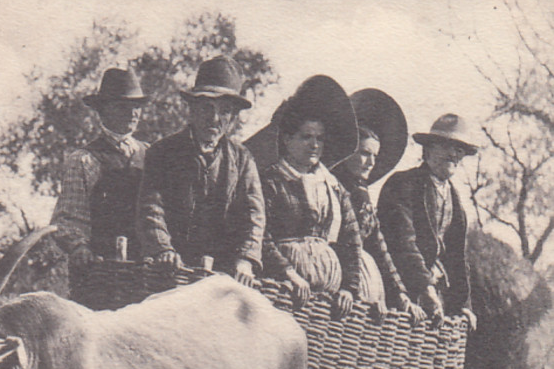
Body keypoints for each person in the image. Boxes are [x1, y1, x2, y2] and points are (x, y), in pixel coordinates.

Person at [137, 55, 265, 284]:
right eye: (207, 107)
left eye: (224, 111)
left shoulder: (243, 160)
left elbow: (254, 216)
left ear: (233, 118)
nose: (214, 118)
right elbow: (151, 207)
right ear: (192, 109)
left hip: (222, 275)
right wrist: (162, 249)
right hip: (171, 270)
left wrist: (245, 260)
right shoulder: (163, 152)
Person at [256, 75, 365, 317]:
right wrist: (288, 273)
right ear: (287, 139)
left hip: (328, 298)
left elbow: (351, 240)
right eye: (306, 137)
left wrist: (349, 288)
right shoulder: (271, 181)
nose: (314, 145)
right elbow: (260, 235)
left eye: (319, 138)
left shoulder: (333, 187)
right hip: (282, 289)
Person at [378, 113, 480, 329]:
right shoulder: (403, 185)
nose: (453, 154)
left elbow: (457, 258)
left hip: (435, 298)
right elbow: (403, 242)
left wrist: (464, 305)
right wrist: (424, 288)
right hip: (399, 290)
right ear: (429, 148)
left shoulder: (456, 202)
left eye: (459, 150)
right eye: (446, 146)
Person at [51, 67, 148, 285]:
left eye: (136, 107)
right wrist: (79, 247)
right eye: (123, 106)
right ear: (103, 111)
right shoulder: (83, 160)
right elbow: (68, 217)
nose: (132, 113)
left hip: (145, 270)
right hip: (102, 271)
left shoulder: (151, 155)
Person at [331, 89, 423, 318]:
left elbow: (378, 245)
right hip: (333, 280)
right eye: (364, 153)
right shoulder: (330, 186)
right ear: (348, 152)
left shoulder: (362, 195)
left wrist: (401, 294)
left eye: (375, 155)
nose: (370, 162)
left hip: (359, 285)